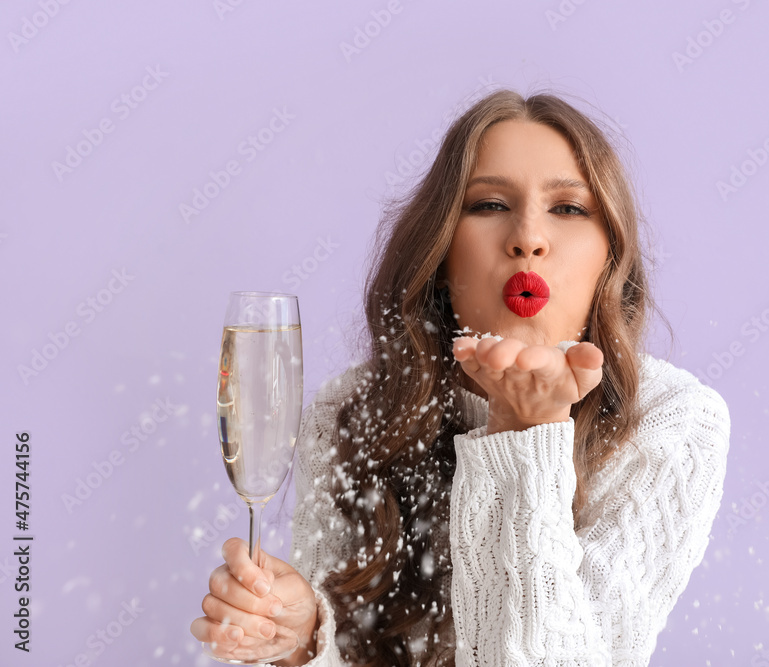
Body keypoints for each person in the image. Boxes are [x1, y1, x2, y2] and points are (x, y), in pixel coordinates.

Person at [190, 88, 731, 666]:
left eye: (569, 208)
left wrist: (527, 432)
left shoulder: (673, 422)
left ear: (610, 258)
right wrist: (303, 642)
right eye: (490, 205)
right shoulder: (353, 408)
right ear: (443, 253)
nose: (528, 237)